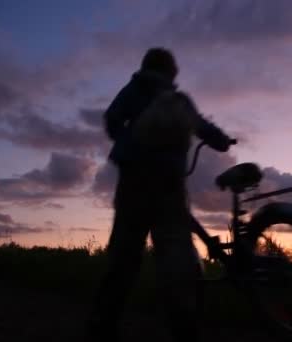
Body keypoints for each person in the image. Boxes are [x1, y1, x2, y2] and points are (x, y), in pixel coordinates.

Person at [87, 47, 233, 342]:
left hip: (133, 182)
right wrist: (223, 141)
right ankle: (183, 327)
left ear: (144, 66)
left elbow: (112, 120)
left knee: (124, 256)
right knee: (175, 256)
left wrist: (131, 141)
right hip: (170, 186)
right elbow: (204, 128)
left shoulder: (133, 90)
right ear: (172, 73)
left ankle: (104, 323)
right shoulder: (180, 101)